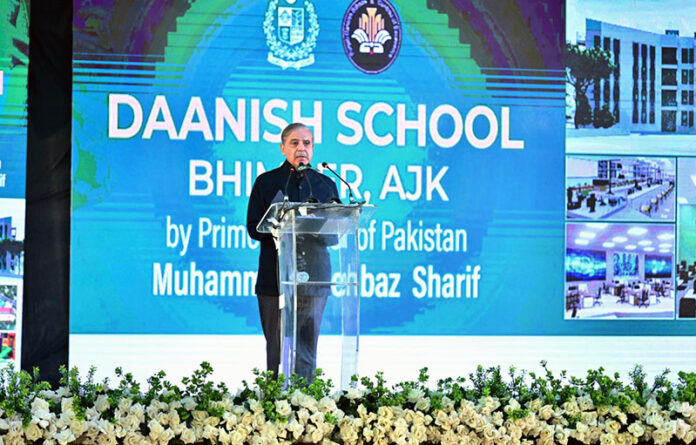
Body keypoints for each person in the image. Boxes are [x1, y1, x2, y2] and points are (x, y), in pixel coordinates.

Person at [246, 122, 339, 382]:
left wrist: (310, 225)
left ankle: (307, 408)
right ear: (283, 147)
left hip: (315, 278)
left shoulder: (325, 184)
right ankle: (274, 408)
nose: (302, 148)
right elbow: (254, 228)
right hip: (274, 279)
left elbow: (335, 234)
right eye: (295, 143)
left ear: (313, 148)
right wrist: (283, 226)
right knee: (276, 349)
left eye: (307, 143)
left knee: (307, 349)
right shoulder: (266, 182)